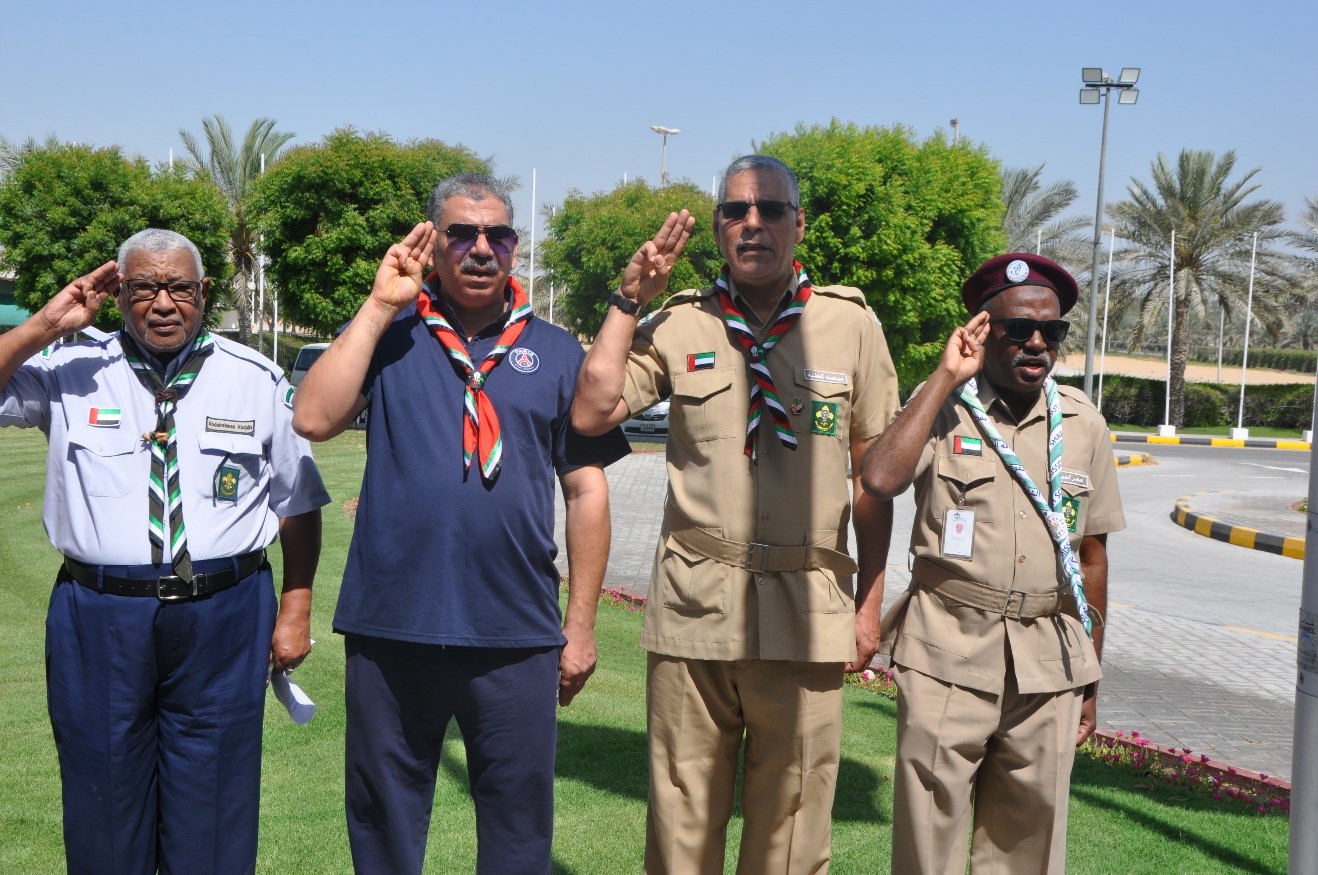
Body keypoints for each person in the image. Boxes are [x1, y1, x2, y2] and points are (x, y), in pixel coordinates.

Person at [292, 172, 628, 875]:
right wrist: (380, 303)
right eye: (462, 234)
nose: (482, 249)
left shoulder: (558, 350)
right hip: (393, 626)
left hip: (517, 634)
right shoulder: (392, 334)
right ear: (433, 244)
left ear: (514, 247)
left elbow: (586, 491)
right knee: (383, 822)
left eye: (498, 235)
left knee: (517, 830)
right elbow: (314, 418)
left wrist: (583, 621)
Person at [572, 155, 900, 874]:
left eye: (771, 210)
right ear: (718, 227)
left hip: (808, 616)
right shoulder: (680, 321)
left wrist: (869, 606)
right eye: (735, 211)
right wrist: (629, 300)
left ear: (798, 224)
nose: (753, 224)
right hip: (696, 612)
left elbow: (875, 483)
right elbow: (593, 407)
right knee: (681, 825)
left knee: (792, 835)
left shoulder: (850, 326)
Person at [0, 228, 330, 874]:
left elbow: (299, 502)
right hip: (99, 615)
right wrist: (44, 324)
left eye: (179, 287)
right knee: (103, 802)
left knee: (214, 807)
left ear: (203, 293)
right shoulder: (70, 369)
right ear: (119, 293)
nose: (162, 302)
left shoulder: (254, 379)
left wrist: (295, 607)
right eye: (144, 286)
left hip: (224, 614)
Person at [860, 252, 1126, 874]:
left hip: (1048, 663)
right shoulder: (943, 409)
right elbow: (878, 478)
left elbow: (1092, 558)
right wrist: (942, 378)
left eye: (1052, 331)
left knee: (1030, 849)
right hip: (947, 651)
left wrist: (1091, 670)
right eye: (1017, 329)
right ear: (982, 329)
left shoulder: (1083, 424)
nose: (1037, 342)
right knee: (931, 845)